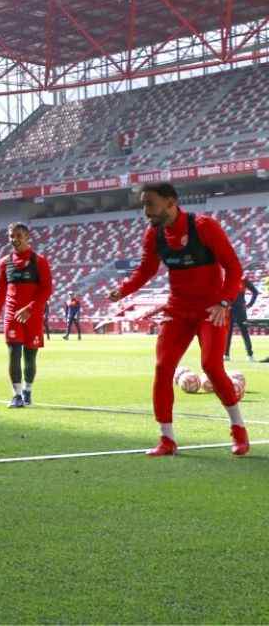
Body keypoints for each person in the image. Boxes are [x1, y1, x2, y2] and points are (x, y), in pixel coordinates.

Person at [107, 182, 249, 456]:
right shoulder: (154, 235)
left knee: (211, 365)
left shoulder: (204, 226)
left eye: (150, 203)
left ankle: (238, 429)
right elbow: (146, 271)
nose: (146, 210)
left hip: (211, 310)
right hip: (177, 311)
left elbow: (233, 268)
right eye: (144, 204)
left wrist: (224, 302)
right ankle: (167, 439)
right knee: (163, 367)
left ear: (171, 202)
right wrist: (123, 290)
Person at [0, 223, 52, 408]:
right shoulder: (4, 262)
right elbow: (0, 291)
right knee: (13, 354)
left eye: (18, 235)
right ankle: (16, 395)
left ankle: (27, 391)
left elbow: (47, 289)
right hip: (11, 316)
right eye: (11, 236)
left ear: (27, 237)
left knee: (30, 357)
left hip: (32, 316)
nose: (14, 239)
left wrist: (30, 308)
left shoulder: (39, 261)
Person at [224, 277, 258, 361]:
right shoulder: (243, 280)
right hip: (240, 310)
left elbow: (255, 292)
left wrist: (250, 304)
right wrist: (249, 304)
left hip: (230, 309)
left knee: (228, 333)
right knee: (244, 332)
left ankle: (226, 355)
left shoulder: (228, 279)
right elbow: (255, 292)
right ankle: (250, 355)